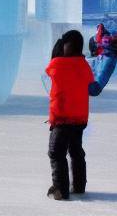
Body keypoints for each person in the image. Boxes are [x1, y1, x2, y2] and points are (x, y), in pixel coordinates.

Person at [45, 30, 94, 200]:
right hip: (79, 118)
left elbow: (50, 68)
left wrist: (57, 52)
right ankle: (79, 185)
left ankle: (60, 189)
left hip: (62, 118)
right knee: (75, 150)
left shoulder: (58, 65)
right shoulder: (84, 65)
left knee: (56, 152)